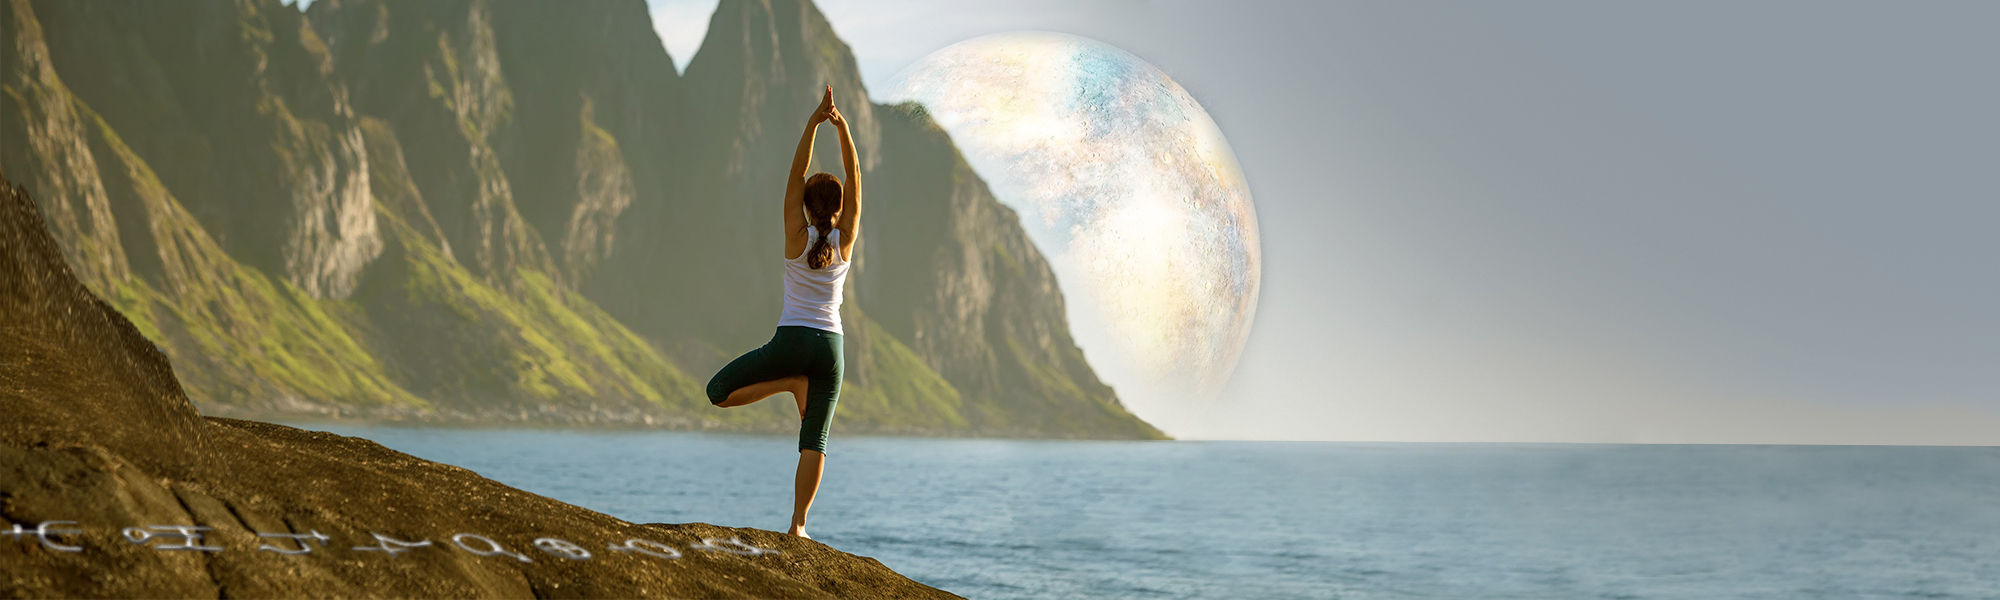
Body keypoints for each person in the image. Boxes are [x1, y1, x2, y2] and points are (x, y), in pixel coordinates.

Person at [705, 84, 860, 539]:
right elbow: (855, 176)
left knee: (717, 391)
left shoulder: (797, 237)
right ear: (838, 208)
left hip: (791, 339)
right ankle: (798, 525)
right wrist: (844, 129)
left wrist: (813, 122)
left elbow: (796, 174)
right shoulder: (844, 239)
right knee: (816, 440)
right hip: (831, 348)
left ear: (807, 207)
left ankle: (788, 382)